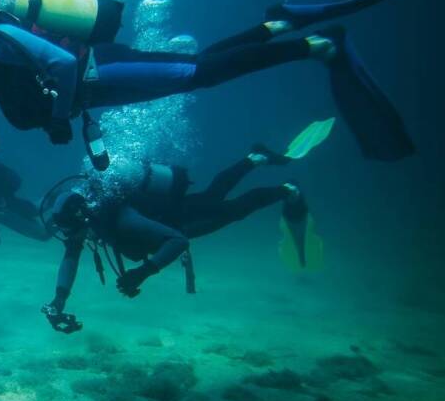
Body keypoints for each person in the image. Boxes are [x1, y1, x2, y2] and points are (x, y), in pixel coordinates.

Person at [0, 0, 444, 164]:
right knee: (197, 70)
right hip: (99, 82)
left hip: (99, 71)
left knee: (198, 74)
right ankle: (277, 27)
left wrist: (61, 119)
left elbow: (61, 68)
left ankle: (313, 46)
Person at [39, 123, 331, 333]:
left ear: (82, 217)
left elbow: (178, 241)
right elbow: (70, 258)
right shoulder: (85, 220)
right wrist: (58, 300)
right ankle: (254, 159)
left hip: (180, 221)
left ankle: (286, 189)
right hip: (173, 213)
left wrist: (143, 272)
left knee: (233, 210)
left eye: (71, 230)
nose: (72, 238)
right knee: (214, 195)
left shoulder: (121, 218)